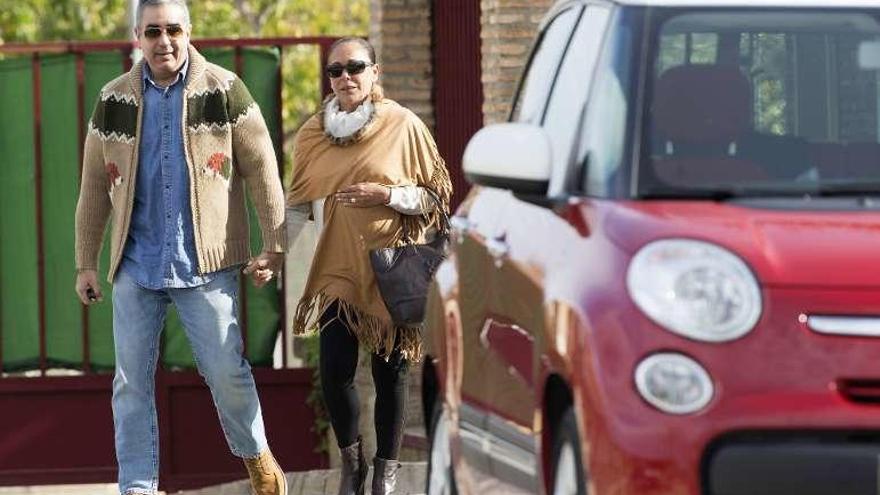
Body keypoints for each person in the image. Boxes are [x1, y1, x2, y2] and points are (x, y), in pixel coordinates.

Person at [73, 1, 287, 494]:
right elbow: (91, 187)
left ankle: (255, 456)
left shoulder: (225, 90)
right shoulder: (113, 100)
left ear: (188, 32)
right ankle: (138, 487)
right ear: (137, 36)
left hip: (205, 264)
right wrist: (86, 261)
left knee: (226, 373)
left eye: (173, 30)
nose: (164, 41)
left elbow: (262, 168)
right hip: (134, 263)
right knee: (129, 386)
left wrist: (274, 243)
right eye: (153, 32)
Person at [286, 37, 453, 495]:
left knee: (390, 371)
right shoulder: (314, 133)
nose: (345, 78)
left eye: (355, 67)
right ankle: (352, 465)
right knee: (335, 370)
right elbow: (297, 205)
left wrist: (388, 195)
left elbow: (437, 200)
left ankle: (387, 473)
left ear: (375, 72)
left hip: (392, 267)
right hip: (338, 267)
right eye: (335, 71)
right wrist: (272, 253)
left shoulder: (403, 125)